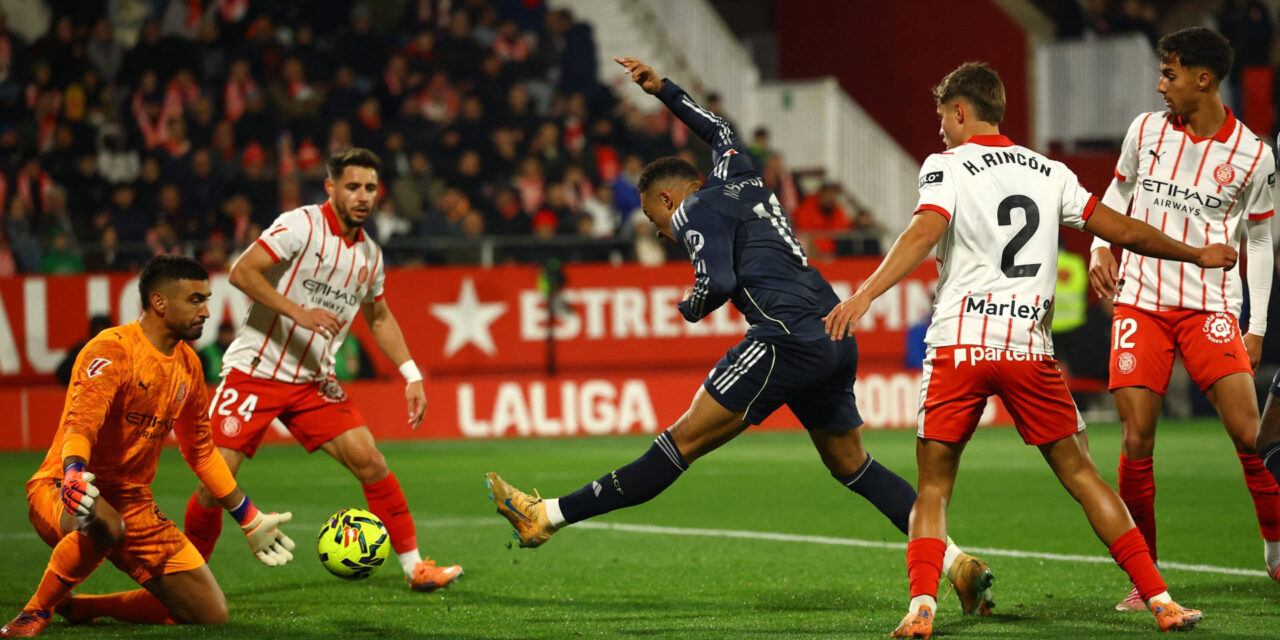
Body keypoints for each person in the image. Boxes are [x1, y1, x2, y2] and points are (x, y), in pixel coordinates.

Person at [485, 57, 997, 617]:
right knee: (853, 465)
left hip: (783, 336)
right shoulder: (740, 174)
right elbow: (721, 130)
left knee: (678, 444)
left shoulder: (692, 210)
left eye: (662, 227)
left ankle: (547, 516)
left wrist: (692, 303)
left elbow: (719, 281)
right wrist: (666, 91)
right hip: (832, 327)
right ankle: (954, 562)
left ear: (665, 202)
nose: (670, 235)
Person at [822, 62, 1229, 637]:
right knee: (1084, 475)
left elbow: (924, 229)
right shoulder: (1050, 171)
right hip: (1027, 348)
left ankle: (921, 608)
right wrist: (1197, 254)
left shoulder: (947, 165)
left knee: (935, 485)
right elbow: (1125, 231)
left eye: (942, 115)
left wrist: (864, 294)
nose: (939, 127)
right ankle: (1160, 599)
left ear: (961, 111)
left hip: (961, 345)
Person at [181, 148, 462, 593]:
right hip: (256, 370)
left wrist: (411, 374)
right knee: (215, 482)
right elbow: (242, 272)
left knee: (371, 460)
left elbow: (380, 317)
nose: (362, 196)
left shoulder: (370, 254)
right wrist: (298, 312)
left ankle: (415, 568)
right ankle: (186, 581)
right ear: (331, 188)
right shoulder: (300, 225)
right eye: (352, 187)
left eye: (370, 188)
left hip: (313, 380)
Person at [1086, 27, 1280, 607]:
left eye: (1168, 73)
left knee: (1250, 434)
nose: (1159, 84)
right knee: (1137, 437)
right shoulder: (1144, 132)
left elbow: (1263, 241)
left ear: (1203, 78)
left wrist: (1258, 325)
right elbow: (1117, 196)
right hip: (1141, 302)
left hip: (1210, 306)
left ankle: (1276, 551)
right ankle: (1144, 578)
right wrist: (1099, 249)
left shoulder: (1254, 154)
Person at [1, 256, 295, 638]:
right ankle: (34, 613)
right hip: (65, 488)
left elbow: (202, 452)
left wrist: (249, 517)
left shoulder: (188, 365)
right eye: (195, 300)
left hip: (133, 502)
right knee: (106, 524)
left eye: (206, 299)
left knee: (209, 611)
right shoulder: (112, 350)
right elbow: (81, 424)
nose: (207, 311)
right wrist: (73, 471)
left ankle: (79, 606)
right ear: (160, 303)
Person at [54, 315, 113, 386]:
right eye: (97, 329)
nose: (99, 333)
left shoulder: (116, 352)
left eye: (103, 330)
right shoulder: (81, 349)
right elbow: (62, 373)